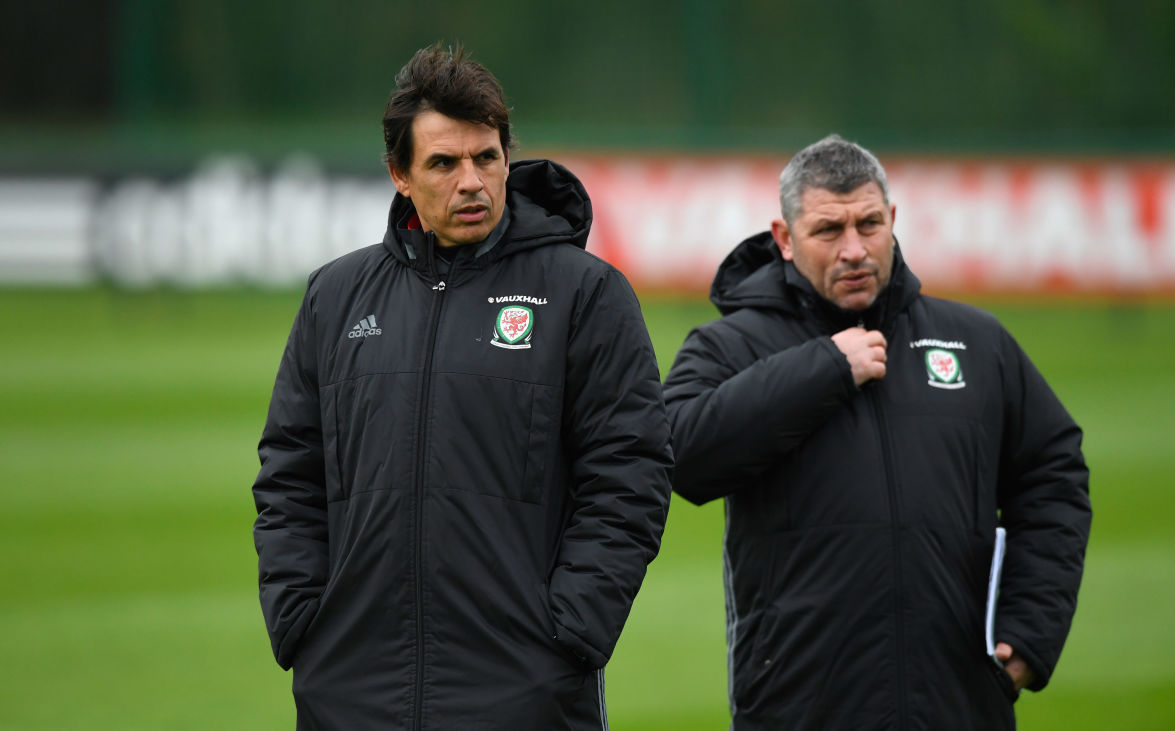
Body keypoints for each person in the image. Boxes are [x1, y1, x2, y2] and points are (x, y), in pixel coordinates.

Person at [252, 44, 672, 729]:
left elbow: (632, 473)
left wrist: (569, 632)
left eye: (486, 156)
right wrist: (301, 618)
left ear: (509, 157)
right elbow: (291, 472)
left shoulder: (585, 293)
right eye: (444, 163)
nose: (471, 181)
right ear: (400, 174)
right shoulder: (334, 296)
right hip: (353, 691)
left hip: (526, 691)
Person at [663, 134, 1090, 729]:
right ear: (784, 239)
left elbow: (1054, 475)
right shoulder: (730, 346)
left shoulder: (976, 340)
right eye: (829, 231)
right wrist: (826, 370)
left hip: (959, 703)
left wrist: (1031, 628)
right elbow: (678, 452)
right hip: (802, 707)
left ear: (892, 220)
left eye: (869, 224)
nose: (855, 249)